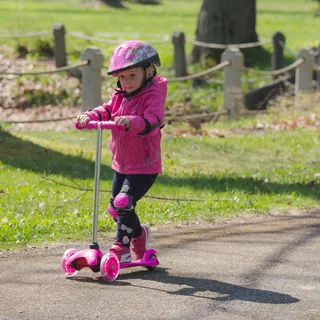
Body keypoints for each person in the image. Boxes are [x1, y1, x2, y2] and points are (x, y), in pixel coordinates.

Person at [76, 40, 167, 263]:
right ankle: (139, 235)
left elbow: (153, 120)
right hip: (122, 165)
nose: (126, 82)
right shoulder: (120, 94)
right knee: (115, 208)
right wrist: (91, 116)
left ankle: (122, 248)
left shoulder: (153, 94)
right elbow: (108, 109)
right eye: (122, 77)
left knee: (123, 202)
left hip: (144, 165)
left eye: (132, 76)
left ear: (148, 72)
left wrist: (132, 121)